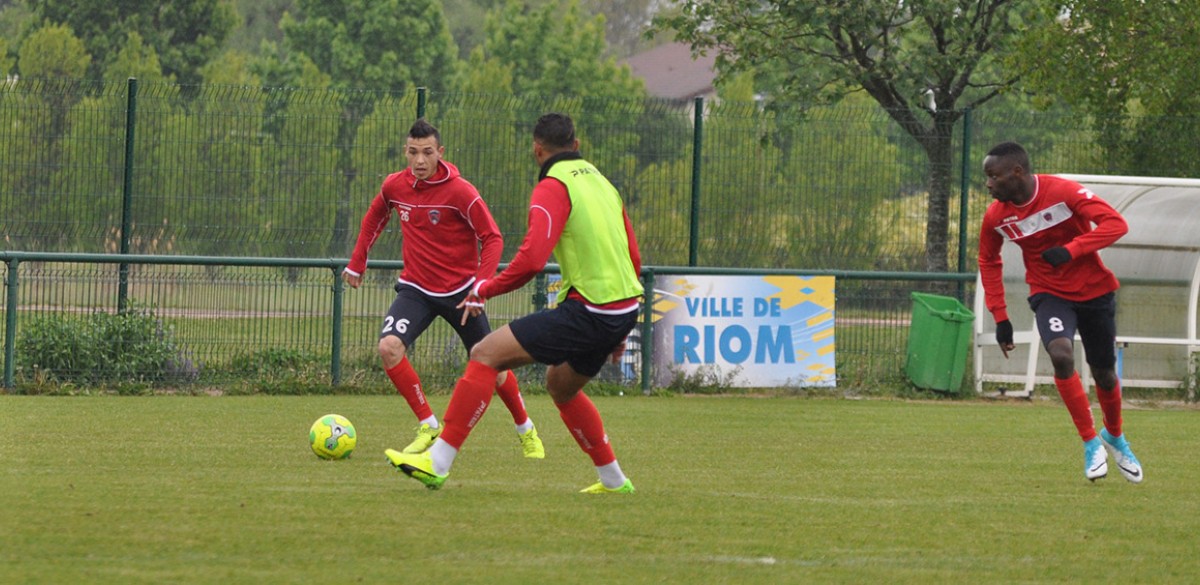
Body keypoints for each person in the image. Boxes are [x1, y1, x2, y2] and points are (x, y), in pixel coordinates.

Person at [386, 112, 643, 494]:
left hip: (589, 309)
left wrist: (485, 288)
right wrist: (623, 326)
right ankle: (614, 480)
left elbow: (532, 260)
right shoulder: (604, 183)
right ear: (576, 145)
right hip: (622, 308)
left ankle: (437, 462)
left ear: (537, 150)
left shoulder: (552, 187)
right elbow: (632, 255)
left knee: (486, 353)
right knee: (561, 385)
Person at [343, 119, 544, 460]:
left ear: (440, 153)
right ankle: (428, 424)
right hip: (416, 290)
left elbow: (492, 237)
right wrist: (357, 261)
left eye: (427, 153)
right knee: (389, 347)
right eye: (412, 152)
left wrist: (480, 287)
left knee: (493, 368)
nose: (419, 161)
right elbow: (375, 215)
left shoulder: (460, 192)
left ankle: (526, 429)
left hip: (461, 294)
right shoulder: (395, 186)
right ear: (405, 152)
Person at [978, 141, 1142, 483]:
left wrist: (1071, 250)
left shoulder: (1063, 192)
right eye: (987, 178)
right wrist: (1000, 316)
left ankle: (1113, 436)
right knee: (1062, 355)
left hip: (1095, 292)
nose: (989, 184)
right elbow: (988, 260)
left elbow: (1116, 224)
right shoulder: (996, 216)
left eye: (993, 176)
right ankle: (1089, 443)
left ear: (1017, 172)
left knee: (1105, 375)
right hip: (1048, 292)